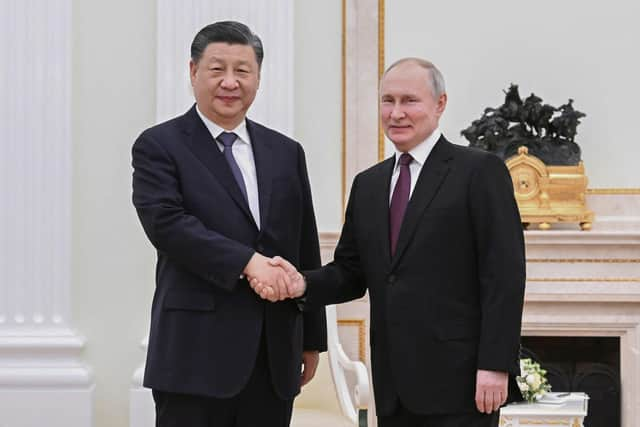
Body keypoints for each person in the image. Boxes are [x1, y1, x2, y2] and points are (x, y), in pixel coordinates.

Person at [251, 58, 526, 427]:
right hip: (394, 386)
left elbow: (504, 276)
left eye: (409, 101)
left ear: (440, 104)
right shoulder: (368, 184)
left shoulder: (479, 172)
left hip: (462, 383)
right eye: (387, 101)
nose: (396, 113)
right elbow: (350, 272)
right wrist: (302, 283)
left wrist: (495, 364)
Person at [131, 21, 326, 427]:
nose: (230, 82)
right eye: (217, 69)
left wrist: (311, 339)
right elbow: (168, 225)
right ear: (193, 72)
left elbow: (305, 244)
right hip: (193, 355)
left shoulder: (286, 152)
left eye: (243, 70)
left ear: (258, 77)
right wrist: (248, 262)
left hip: (273, 354)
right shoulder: (159, 145)